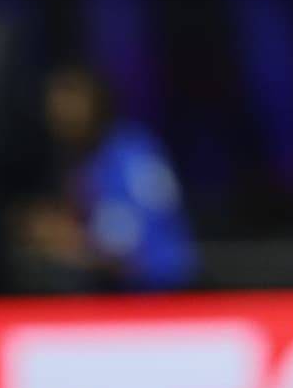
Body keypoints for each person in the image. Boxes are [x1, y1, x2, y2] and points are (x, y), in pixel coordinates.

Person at [14, 62, 195, 292]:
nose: (60, 109)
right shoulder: (77, 160)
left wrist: (66, 239)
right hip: (112, 294)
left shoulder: (131, 155)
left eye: (71, 97)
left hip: (160, 297)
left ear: (97, 101)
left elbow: (133, 251)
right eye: (54, 100)